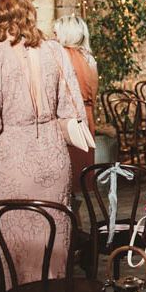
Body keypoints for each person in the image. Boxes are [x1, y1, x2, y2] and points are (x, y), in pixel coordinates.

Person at [0, 0, 86, 286]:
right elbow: (70, 108)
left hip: (13, 157)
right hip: (53, 156)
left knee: (16, 246)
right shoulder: (55, 51)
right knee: (54, 239)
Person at [54, 14, 98, 195]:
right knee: (79, 179)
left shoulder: (63, 56)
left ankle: (70, 220)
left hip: (70, 121)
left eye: (56, 33)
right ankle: (75, 220)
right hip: (86, 118)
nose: (53, 38)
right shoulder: (88, 57)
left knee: (66, 179)